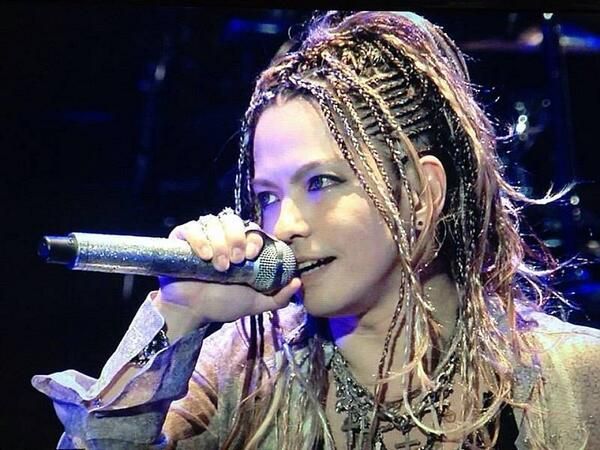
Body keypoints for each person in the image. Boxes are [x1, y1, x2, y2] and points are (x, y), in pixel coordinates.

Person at [33, 11, 600, 450]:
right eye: (267, 196)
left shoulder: (573, 378)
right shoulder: (239, 373)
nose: (284, 225)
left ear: (422, 193)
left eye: (321, 182)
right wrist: (177, 317)